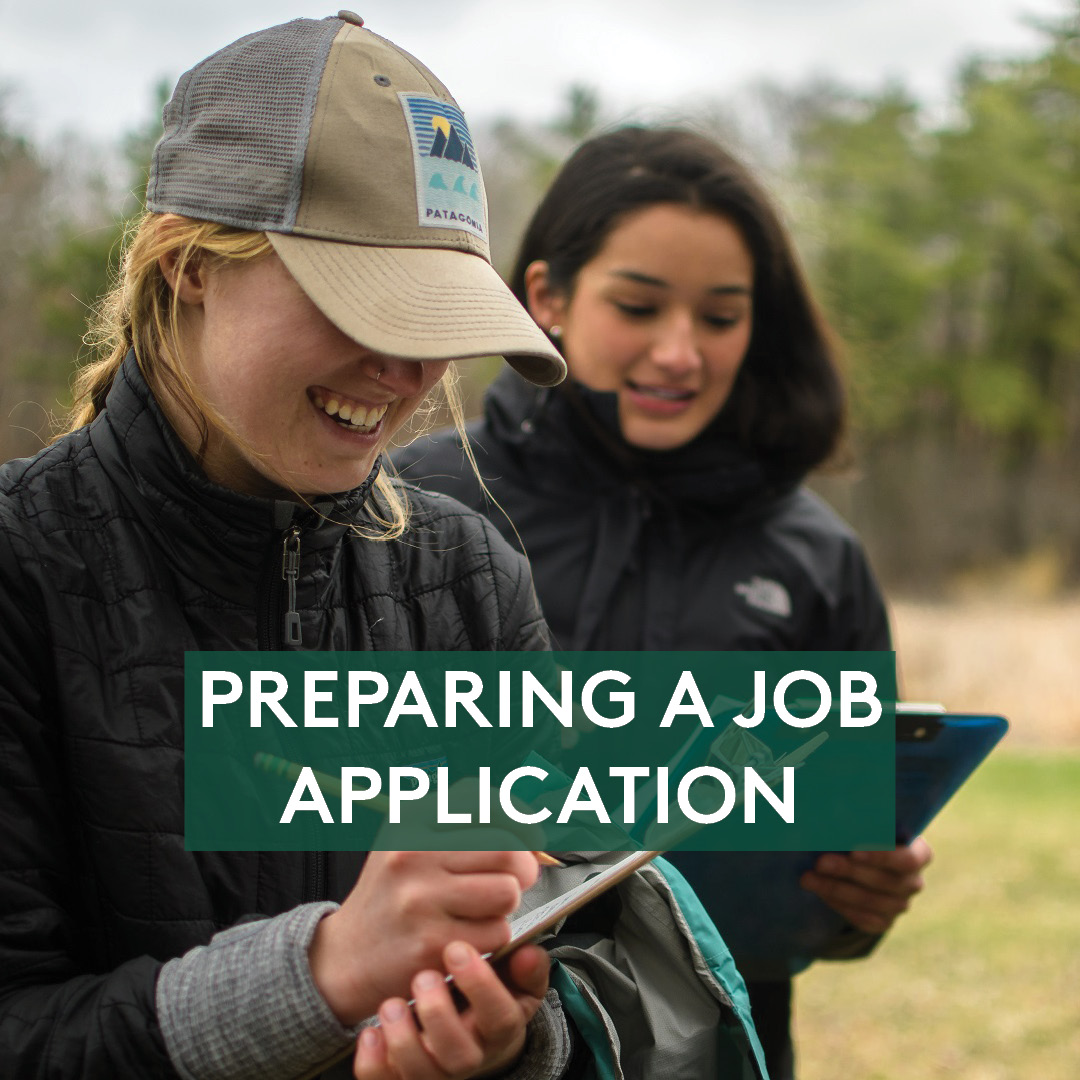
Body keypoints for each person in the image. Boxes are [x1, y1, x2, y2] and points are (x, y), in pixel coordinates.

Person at [0, 15, 580, 1079]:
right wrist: (318, 977)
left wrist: (509, 1041)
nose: (406, 371)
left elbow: (572, 965)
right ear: (188, 266)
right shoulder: (21, 574)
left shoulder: (471, 582)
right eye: (359, 303)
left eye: (432, 316)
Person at [393, 125, 934, 1079]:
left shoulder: (817, 558)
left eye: (721, 318)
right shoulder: (408, 504)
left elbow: (824, 905)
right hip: (443, 1043)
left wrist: (858, 905)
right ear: (546, 296)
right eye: (639, 306)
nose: (680, 353)